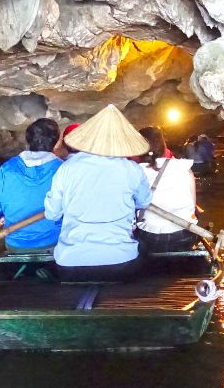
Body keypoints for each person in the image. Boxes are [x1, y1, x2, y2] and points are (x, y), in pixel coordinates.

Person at [44, 105, 152, 282]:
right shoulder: (133, 169)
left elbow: (52, 213)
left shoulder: (66, 169)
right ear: (121, 142)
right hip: (121, 263)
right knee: (145, 248)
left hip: (71, 263)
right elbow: (144, 202)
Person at [0, 118, 63, 251]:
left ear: (28, 140)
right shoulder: (63, 169)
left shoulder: (7, 168)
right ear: (56, 142)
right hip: (55, 241)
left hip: (16, 243)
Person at [136, 126, 199, 253]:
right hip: (184, 234)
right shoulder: (183, 167)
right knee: (196, 212)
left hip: (149, 235)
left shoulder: (135, 171)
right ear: (163, 144)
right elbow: (193, 204)